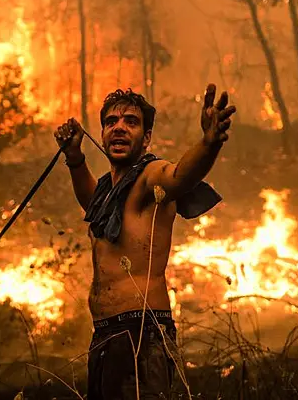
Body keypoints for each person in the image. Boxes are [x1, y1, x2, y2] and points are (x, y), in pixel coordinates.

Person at [54, 84, 236, 400]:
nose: (119, 127)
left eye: (131, 121)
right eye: (111, 122)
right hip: (105, 336)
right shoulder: (108, 193)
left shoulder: (150, 178)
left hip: (142, 334)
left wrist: (209, 143)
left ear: (146, 137)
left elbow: (179, 176)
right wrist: (74, 158)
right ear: (103, 132)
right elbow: (91, 204)